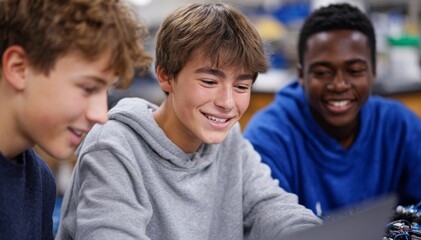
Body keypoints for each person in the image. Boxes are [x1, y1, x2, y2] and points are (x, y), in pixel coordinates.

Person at [56, 3, 321, 240]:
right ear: (165, 76)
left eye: (241, 86)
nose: (227, 102)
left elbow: (271, 207)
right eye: (209, 82)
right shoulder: (114, 147)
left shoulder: (230, 141)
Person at [244, 3, 421, 217]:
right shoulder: (268, 137)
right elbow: (267, 223)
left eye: (355, 70)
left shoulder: (401, 126)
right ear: (301, 76)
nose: (339, 84)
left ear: (373, 72)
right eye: (322, 72)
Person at [0, 0, 152, 239]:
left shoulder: (39, 181)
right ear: (19, 68)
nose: (101, 115)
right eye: (88, 88)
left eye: (106, 92)